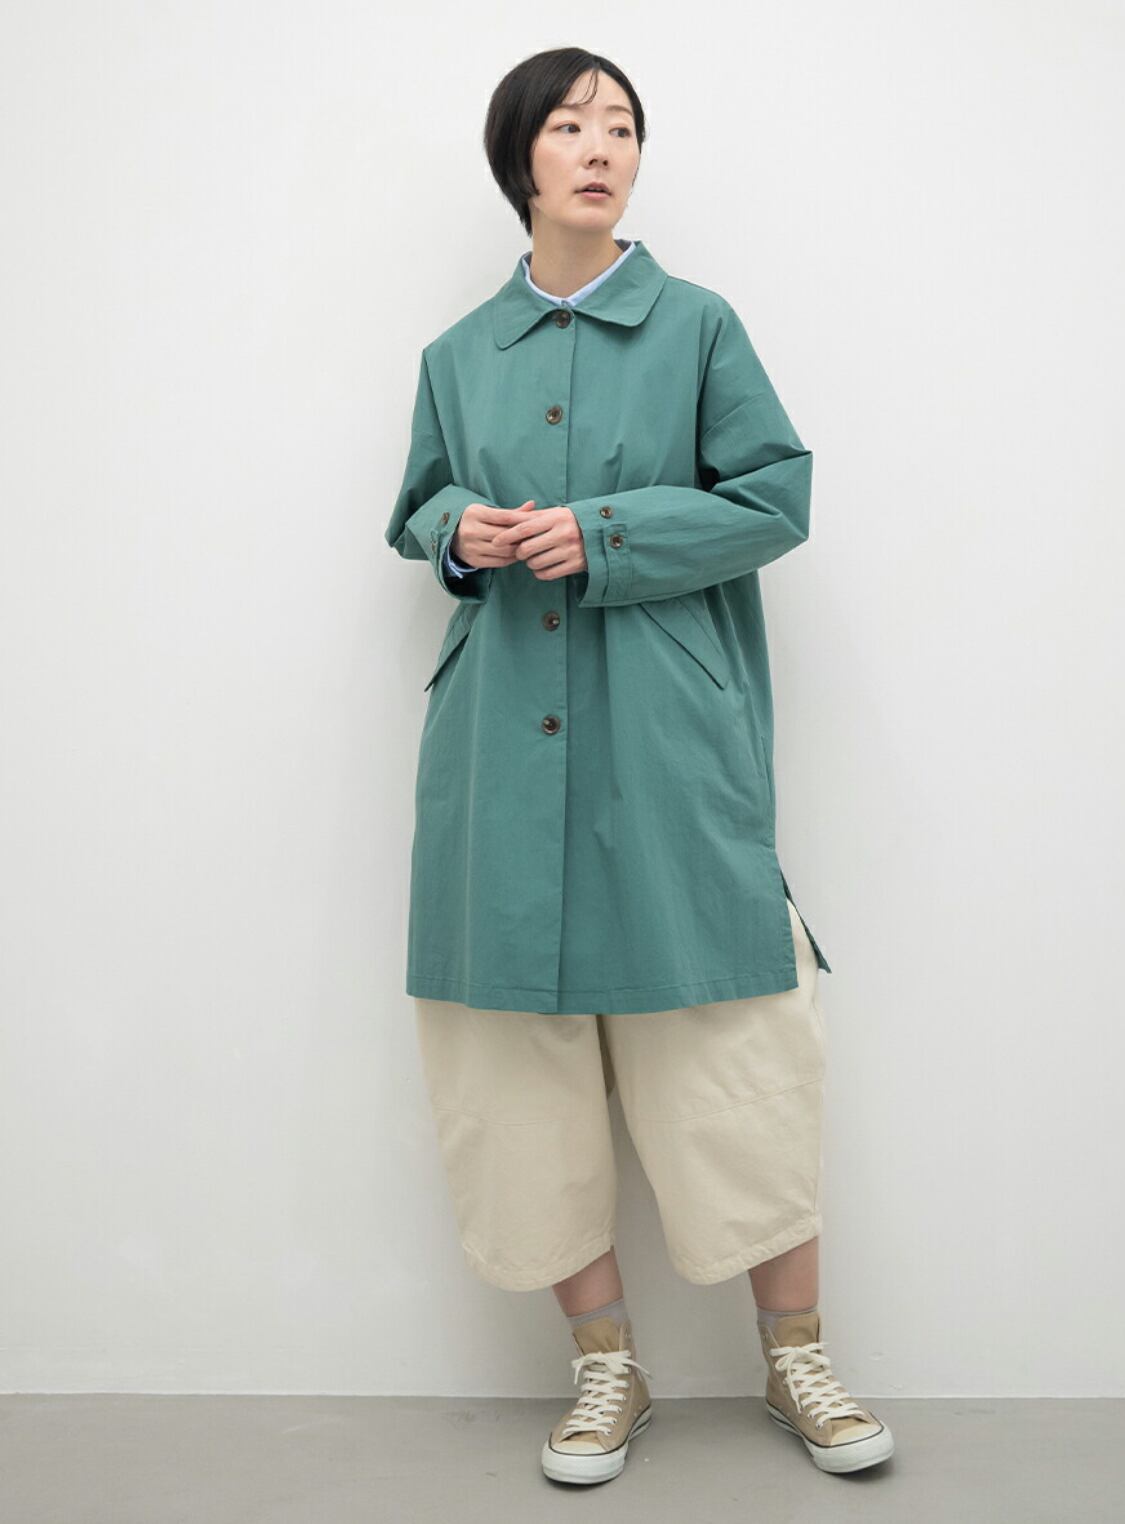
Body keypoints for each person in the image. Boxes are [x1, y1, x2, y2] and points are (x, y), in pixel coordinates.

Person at [385, 47, 894, 1486]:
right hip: (497, 747)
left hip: (667, 740)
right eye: (569, 126)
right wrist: (457, 533)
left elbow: (774, 497)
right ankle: (604, 1367)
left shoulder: (698, 326)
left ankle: (796, 1358)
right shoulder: (455, 355)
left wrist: (604, 534)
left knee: (735, 1045)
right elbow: (416, 505)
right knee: (517, 1072)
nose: (600, 147)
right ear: (521, 161)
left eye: (620, 126)